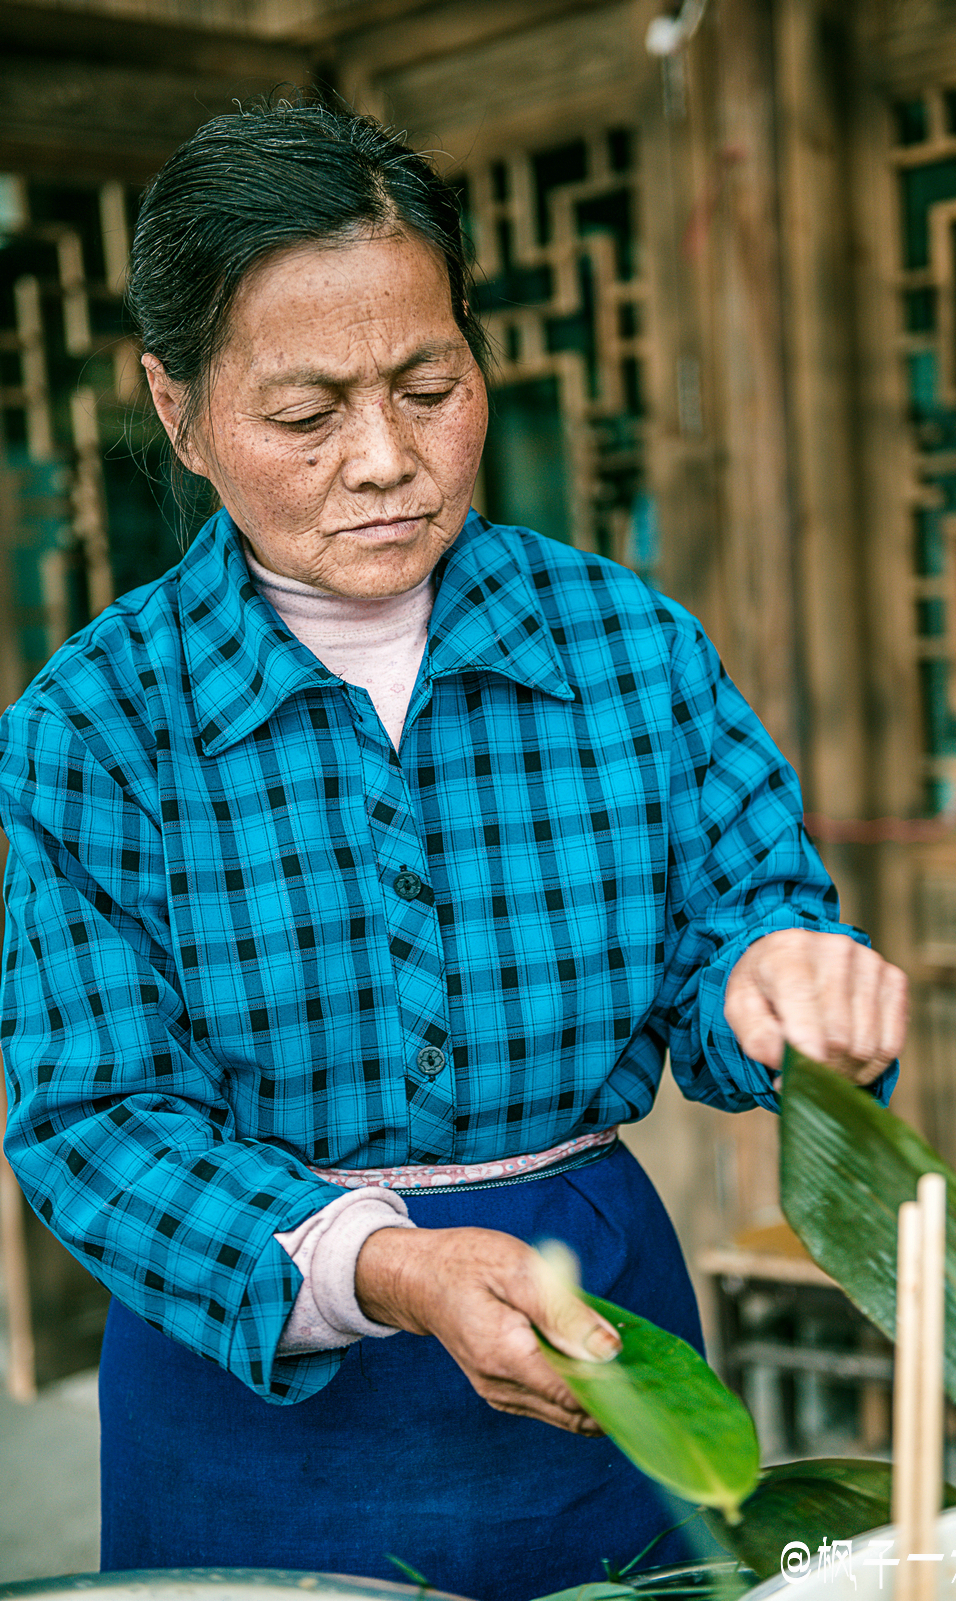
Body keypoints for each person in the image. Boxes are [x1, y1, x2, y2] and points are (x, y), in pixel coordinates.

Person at [0, 103, 907, 1598]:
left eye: (429, 385)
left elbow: (737, 927)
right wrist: (394, 1266)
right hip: (246, 1403)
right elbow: (96, 1119)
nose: (386, 459)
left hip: (599, 1341)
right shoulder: (95, 724)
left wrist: (777, 980)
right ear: (177, 411)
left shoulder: (625, 644)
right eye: (304, 415)